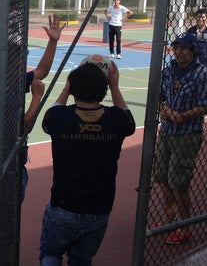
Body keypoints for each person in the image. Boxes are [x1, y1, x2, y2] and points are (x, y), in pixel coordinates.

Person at [0, 14, 65, 264]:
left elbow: (42, 71)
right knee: (2, 219)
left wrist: (53, 42)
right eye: (17, 57)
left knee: (7, 215)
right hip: (6, 162)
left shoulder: (14, 81)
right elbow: (21, 127)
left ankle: (1, 254)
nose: (22, 61)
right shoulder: (0, 92)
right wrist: (37, 98)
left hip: (14, 159)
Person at [38, 59, 135, 265]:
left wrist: (66, 88)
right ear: (105, 90)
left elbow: (52, 112)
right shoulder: (115, 120)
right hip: (99, 208)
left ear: (72, 88)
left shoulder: (59, 117)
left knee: (51, 254)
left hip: (64, 205)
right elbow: (128, 118)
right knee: (82, 259)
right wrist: (115, 87)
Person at [153, 32, 207, 245]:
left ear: (193, 50)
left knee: (179, 183)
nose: (179, 52)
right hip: (167, 131)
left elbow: (205, 105)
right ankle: (169, 221)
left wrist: (184, 116)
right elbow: (160, 97)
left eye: (184, 48)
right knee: (164, 178)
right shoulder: (169, 70)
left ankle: (184, 227)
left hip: (187, 135)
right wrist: (166, 111)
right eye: (176, 47)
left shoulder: (202, 74)